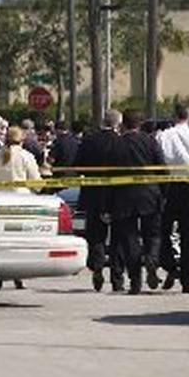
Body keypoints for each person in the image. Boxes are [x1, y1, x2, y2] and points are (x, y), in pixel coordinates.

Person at [106, 110, 167, 295]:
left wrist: (108, 201)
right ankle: (151, 259)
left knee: (129, 240)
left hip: (123, 195)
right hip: (149, 194)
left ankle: (135, 280)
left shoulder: (116, 144)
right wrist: (162, 193)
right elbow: (162, 169)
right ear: (139, 124)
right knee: (153, 234)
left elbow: (109, 173)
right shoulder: (150, 141)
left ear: (123, 124)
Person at [0, 126, 42, 289]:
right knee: (19, 242)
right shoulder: (26, 156)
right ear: (22, 140)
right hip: (20, 202)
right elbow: (36, 185)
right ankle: (18, 275)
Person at [155, 104, 189, 293]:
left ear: (174, 116)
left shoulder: (163, 136)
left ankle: (169, 264)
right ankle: (188, 280)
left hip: (168, 186)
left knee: (163, 230)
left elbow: (159, 160)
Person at [75, 109, 123, 291]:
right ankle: (117, 278)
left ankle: (97, 267)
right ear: (118, 123)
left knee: (95, 236)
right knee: (117, 237)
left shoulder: (88, 140)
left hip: (93, 194)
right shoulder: (120, 142)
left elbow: (78, 165)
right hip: (116, 195)